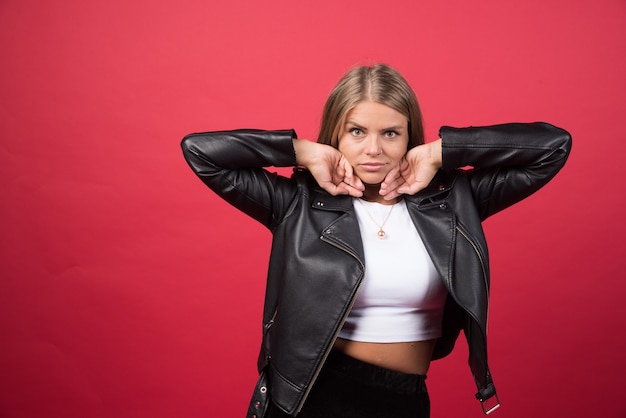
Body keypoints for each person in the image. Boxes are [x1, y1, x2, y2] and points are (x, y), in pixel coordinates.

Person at [181, 64, 571, 418]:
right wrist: (301, 150)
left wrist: (442, 151)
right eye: (356, 131)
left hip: (406, 399)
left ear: (408, 136)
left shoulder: (453, 201)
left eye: (390, 132)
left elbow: (552, 148)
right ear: (336, 133)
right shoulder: (296, 202)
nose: (373, 149)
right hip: (311, 398)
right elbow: (200, 152)